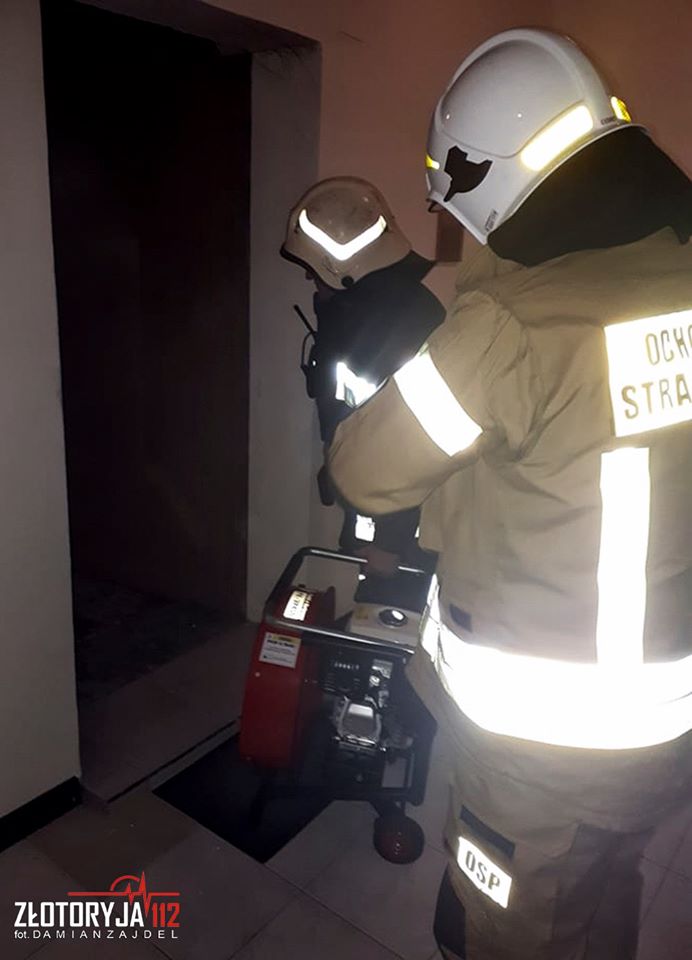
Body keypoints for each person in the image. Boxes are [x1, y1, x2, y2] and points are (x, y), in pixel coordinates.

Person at [327, 28, 692, 959]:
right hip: (665, 725)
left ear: (482, 178)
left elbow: (363, 467)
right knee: (603, 892)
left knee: (517, 932)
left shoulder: (513, 327)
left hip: (542, 756)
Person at [281, 177, 444, 583]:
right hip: (378, 511)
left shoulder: (389, 325)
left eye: (313, 270)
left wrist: (390, 543)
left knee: (388, 614)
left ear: (341, 268)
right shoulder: (364, 314)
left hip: (400, 533)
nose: (310, 280)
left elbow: (409, 442)